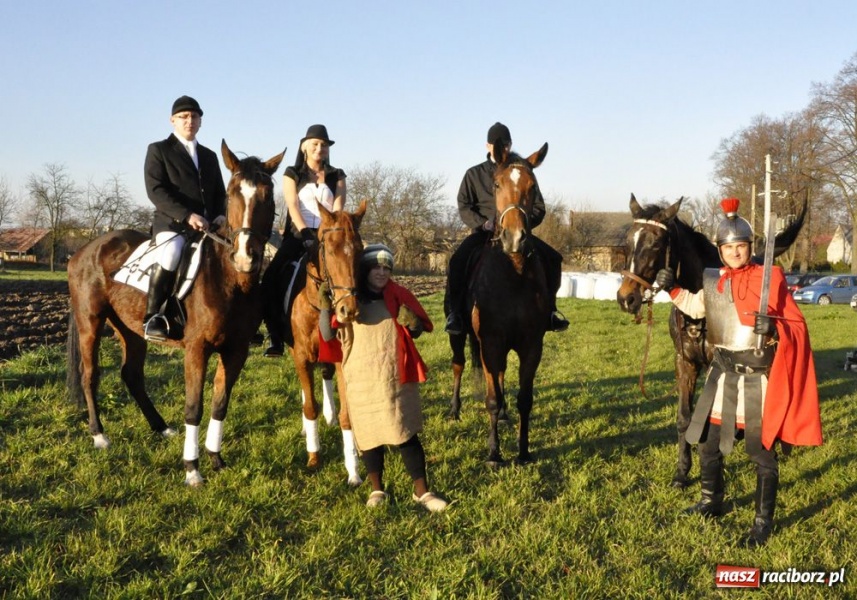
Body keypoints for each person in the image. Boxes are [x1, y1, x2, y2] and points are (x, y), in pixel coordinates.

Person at [654, 198, 822, 547]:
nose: (734, 252)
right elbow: (696, 307)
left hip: (758, 378)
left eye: (741, 246)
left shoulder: (769, 279)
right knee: (708, 446)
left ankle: (762, 522)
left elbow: (797, 325)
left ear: (749, 247)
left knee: (760, 453)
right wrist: (671, 288)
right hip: (722, 376)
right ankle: (710, 501)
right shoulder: (715, 281)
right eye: (728, 247)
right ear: (720, 250)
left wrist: (774, 327)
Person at [319, 243, 448, 512]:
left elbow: (416, 331)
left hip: (394, 376)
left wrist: (412, 323)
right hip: (362, 377)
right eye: (376, 267)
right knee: (369, 437)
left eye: (386, 267)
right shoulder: (350, 303)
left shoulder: (399, 295)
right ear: (365, 270)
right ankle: (377, 489)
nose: (381, 272)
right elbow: (329, 335)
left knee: (405, 433)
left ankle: (422, 492)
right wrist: (324, 308)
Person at [444, 122, 568, 335]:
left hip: (517, 233)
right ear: (488, 146)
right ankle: (455, 314)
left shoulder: (523, 172)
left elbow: (538, 208)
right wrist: (482, 223)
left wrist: (521, 224)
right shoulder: (473, 174)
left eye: (507, 144)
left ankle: (550, 312)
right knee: (457, 260)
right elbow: (464, 206)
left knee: (553, 258)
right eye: (498, 144)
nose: (504, 148)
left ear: (511, 145)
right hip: (483, 234)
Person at [143, 95, 226, 341]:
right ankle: (153, 316)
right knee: (171, 253)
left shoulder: (209, 155)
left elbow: (220, 192)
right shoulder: (159, 150)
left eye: (194, 116)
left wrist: (220, 214)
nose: (189, 121)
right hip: (172, 224)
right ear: (173, 120)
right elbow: (156, 190)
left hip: (207, 227)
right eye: (184, 117)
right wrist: (187, 215)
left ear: (200, 121)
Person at [261, 124, 346, 357]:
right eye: (315, 144)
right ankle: (275, 336)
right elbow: (292, 205)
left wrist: (328, 236)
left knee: (355, 269)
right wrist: (306, 235)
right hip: (299, 236)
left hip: (328, 237)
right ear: (304, 147)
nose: (320, 148)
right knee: (270, 278)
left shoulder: (337, 175)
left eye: (324, 145)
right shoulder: (292, 173)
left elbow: (338, 209)